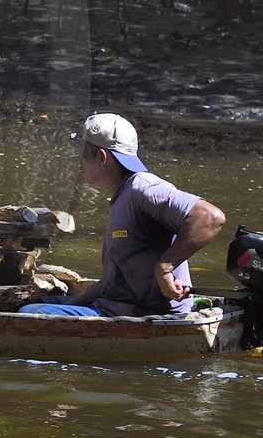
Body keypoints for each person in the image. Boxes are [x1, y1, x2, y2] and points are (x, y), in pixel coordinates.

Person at [20, 113, 226, 318]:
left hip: (146, 315)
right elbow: (110, 283)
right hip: (115, 304)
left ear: (102, 157)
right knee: (37, 302)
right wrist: (72, 302)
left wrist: (165, 267)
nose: (80, 160)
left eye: (84, 152)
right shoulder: (124, 196)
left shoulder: (143, 189)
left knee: (27, 314)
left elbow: (209, 217)